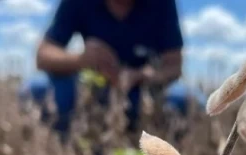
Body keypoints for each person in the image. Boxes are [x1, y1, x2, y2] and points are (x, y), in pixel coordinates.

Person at [31, 0, 187, 142]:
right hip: (91, 90)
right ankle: (71, 151)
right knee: (36, 91)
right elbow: (43, 55)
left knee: (187, 101)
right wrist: (82, 60)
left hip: (141, 92)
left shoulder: (163, 4)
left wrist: (139, 75)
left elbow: (174, 66)